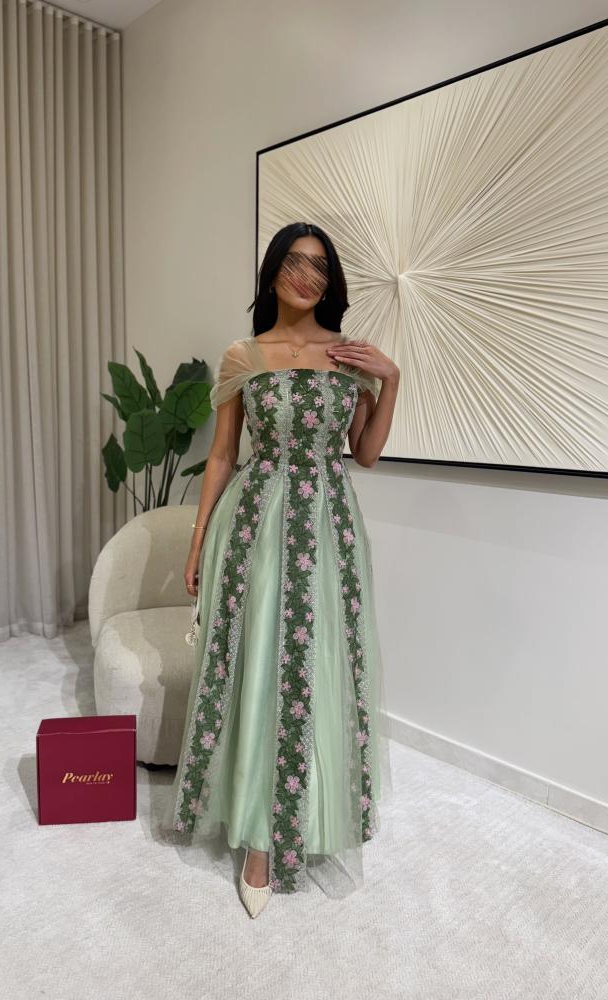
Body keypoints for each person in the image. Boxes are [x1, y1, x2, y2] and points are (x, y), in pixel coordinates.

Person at [159, 221, 399, 917]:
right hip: (257, 524)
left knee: (319, 666)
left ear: (331, 281)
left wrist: (391, 379)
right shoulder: (244, 356)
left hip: (327, 527)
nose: (306, 276)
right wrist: (197, 541)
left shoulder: (348, 357)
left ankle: (314, 814)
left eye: (320, 267)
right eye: (294, 262)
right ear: (271, 271)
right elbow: (223, 455)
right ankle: (260, 835)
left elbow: (365, 453)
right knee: (260, 665)